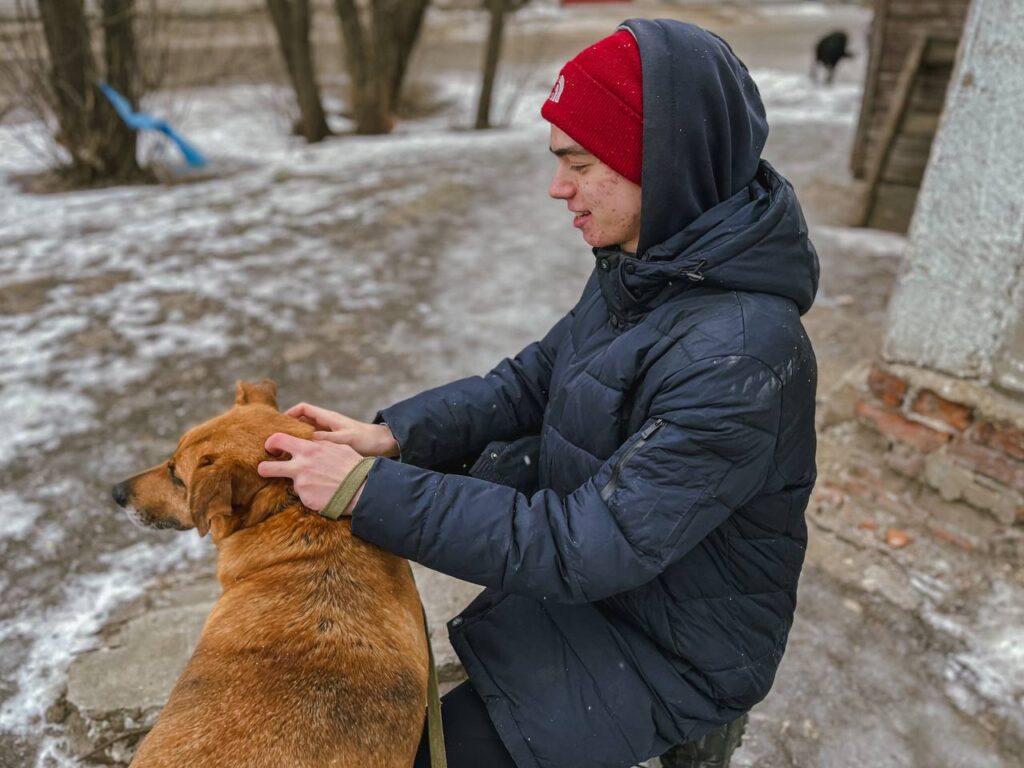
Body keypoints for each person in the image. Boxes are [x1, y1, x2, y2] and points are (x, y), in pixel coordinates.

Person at [257, 18, 819, 768]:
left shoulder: (741, 351)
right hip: (610, 599)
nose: (559, 189)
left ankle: (694, 740)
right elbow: (535, 379)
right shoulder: (651, 262)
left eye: (580, 163)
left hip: (673, 646)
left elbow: (587, 544)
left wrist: (369, 492)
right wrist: (391, 437)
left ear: (667, 160)